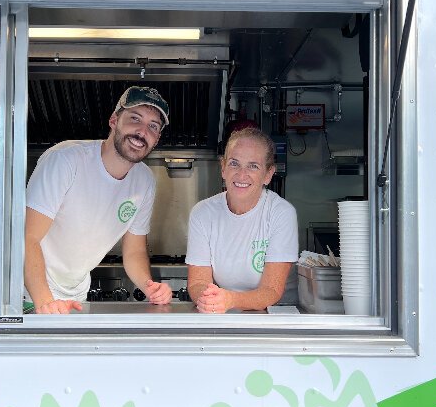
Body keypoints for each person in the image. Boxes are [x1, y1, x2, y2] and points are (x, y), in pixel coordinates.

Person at [24, 86, 173, 314]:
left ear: (157, 138)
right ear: (114, 120)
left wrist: (150, 287)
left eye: (153, 126)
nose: (142, 132)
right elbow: (28, 238)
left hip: (74, 293)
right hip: (28, 290)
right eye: (135, 118)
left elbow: (133, 252)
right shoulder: (66, 160)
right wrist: (44, 302)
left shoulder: (144, 181)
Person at [186, 128, 298, 313]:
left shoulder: (281, 213)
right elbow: (198, 282)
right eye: (234, 163)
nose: (241, 174)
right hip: (226, 312)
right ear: (223, 168)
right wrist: (208, 299)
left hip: (277, 314)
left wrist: (230, 299)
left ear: (268, 174)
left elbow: (271, 291)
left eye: (253, 166)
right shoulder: (203, 213)